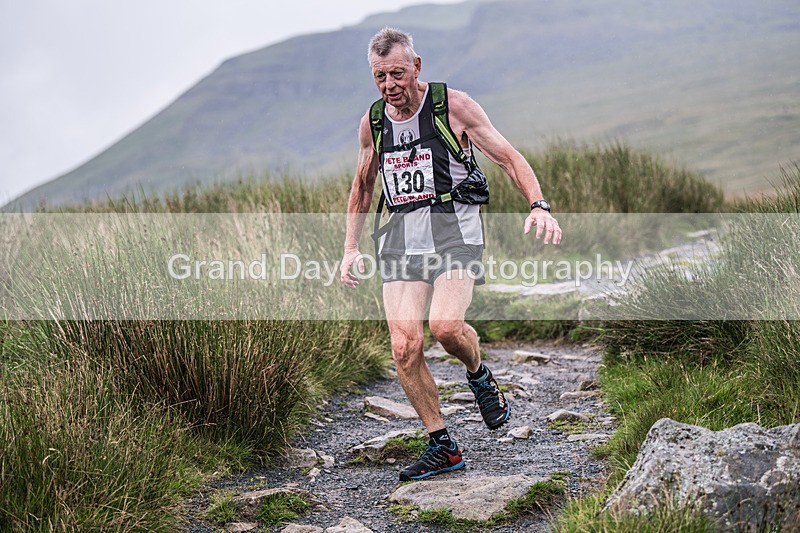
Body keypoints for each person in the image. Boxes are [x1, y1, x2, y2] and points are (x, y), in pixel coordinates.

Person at [339, 27, 561, 482]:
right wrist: (349, 249)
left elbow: (507, 156)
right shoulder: (373, 123)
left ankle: (478, 372)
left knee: (444, 327)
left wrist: (539, 205)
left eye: (397, 73)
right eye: (379, 76)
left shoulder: (452, 106)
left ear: (416, 67)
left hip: (454, 233)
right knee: (404, 346)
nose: (389, 85)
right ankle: (443, 444)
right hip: (400, 238)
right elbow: (362, 186)